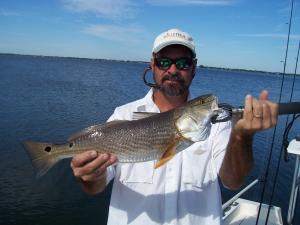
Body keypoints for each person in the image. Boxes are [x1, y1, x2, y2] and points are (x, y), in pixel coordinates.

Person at [70, 28, 278, 225]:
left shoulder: (215, 121)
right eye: (164, 62)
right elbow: (95, 186)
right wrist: (88, 176)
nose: (172, 70)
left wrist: (243, 137)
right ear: (152, 65)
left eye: (183, 63)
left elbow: (233, 181)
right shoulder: (122, 115)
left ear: (194, 67)